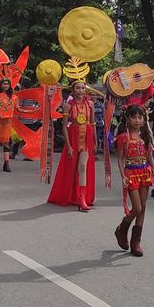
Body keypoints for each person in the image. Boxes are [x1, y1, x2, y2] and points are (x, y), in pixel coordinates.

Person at [113, 104, 154, 256]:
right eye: (134, 117)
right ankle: (122, 228)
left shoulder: (146, 136)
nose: (137, 120)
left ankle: (136, 242)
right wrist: (123, 176)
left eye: (140, 117)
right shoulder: (123, 137)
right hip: (131, 174)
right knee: (137, 207)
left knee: (143, 207)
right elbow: (120, 159)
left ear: (144, 119)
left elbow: (149, 157)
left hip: (144, 173)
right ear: (127, 119)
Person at [47, 80, 101, 211]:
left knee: (82, 166)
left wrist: (95, 140)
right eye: (78, 88)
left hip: (87, 136)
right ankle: (71, 194)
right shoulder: (67, 106)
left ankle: (82, 199)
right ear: (73, 90)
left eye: (83, 88)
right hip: (74, 136)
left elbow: (93, 123)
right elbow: (64, 126)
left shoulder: (90, 104)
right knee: (71, 168)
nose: (81, 91)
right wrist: (69, 145)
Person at [0, 77, 17, 172]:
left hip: (8, 123)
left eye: (7, 84)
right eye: (4, 84)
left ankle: (6, 163)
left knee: (6, 142)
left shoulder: (14, 97)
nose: (6, 85)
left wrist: (32, 111)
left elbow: (19, 109)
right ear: (1, 85)